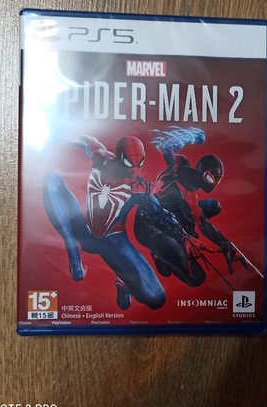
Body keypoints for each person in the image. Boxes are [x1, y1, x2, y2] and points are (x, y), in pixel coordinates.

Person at [43, 135, 165, 310]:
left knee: (156, 298)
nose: (135, 170)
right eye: (129, 163)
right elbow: (89, 142)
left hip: (114, 241)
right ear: (119, 157)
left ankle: (123, 284)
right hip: (85, 231)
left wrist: (154, 200)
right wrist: (69, 137)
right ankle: (72, 246)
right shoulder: (102, 159)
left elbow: (157, 212)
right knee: (52, 180)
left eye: (140, 164)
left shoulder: (138, 187)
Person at [134, 128, 243, 287]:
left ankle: (178, 238)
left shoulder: (180, 163)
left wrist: (187, 137)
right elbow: (203, 223)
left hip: (170, 211)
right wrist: (223, 242)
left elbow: (168, 148)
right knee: (195, 277)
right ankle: (159, 254)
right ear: (203, 173)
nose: (212, 182)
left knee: (213, 206)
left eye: (215, 179)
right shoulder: (188, 195)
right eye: (210, 177)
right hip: (148, 221)